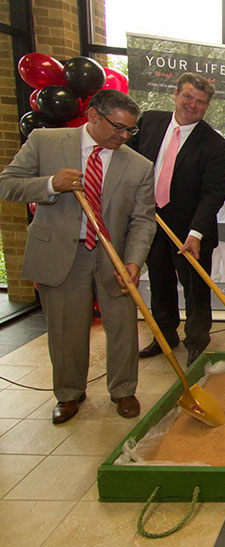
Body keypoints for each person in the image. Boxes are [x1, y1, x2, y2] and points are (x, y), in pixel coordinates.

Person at [0, 90, 155, 423]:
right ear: (93, 116)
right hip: (62, 254)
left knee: (123, 329)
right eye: (117, 127)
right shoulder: (45, 142)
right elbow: (8, 185)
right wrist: (52, 184)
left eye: (130, 130)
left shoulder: (139, 165)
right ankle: (69, 394)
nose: (123, 136)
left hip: (113, 256)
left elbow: (143, 219)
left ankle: (123, 390)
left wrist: (134, 261)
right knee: (66, 331)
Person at [128, 72, 225, 366]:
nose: (192, 105)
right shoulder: (149, 122)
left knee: (196, 290)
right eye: (187, 97)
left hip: (190, 232)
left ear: (206, 107)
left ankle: (197, 341)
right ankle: (165, 335)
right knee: (160, 282)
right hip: (151, 223)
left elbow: (213, 193)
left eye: (200, 102)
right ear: (175, 94)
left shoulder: (214, 144)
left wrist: (195, 233)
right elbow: (130, 161)